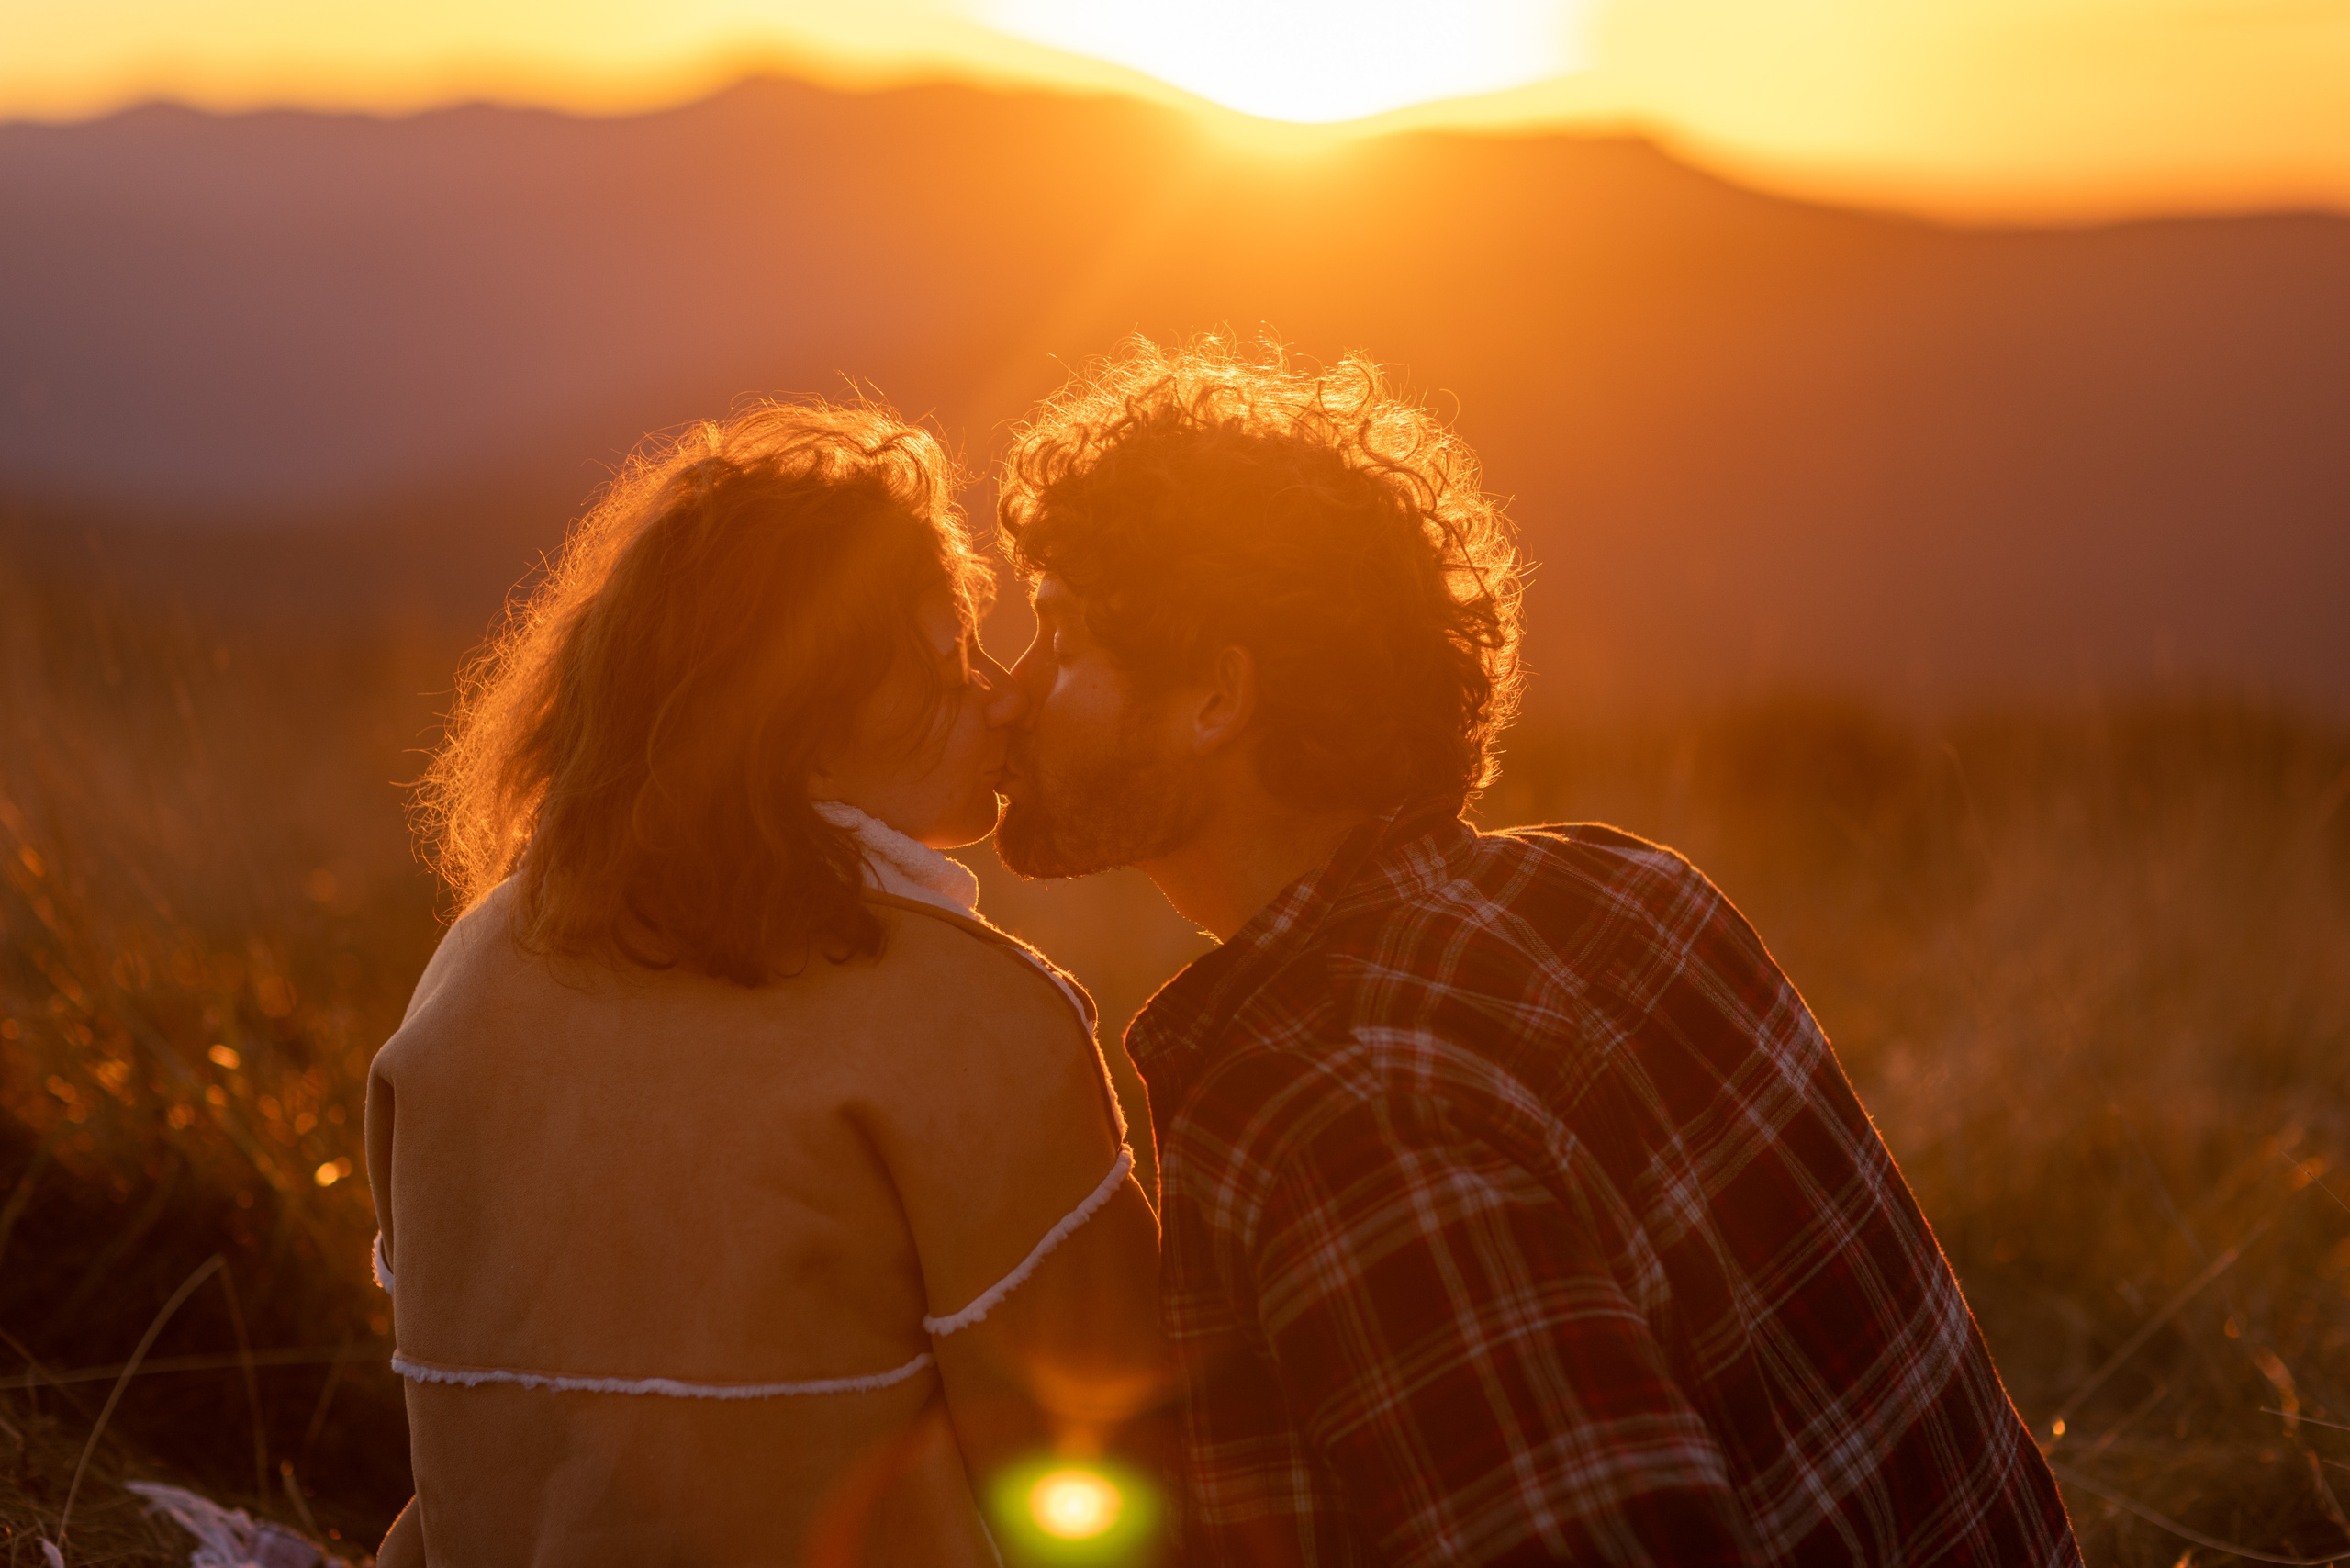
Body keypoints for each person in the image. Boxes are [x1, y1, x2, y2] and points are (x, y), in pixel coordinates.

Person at [991, 336, 2083, 1565]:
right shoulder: (1623, 891)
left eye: (1065, 645)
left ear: (1213, 698)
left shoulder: (1333, 1108)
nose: (1010, 694)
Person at [364, 402, 1163, 1566]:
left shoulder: (466, 978)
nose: (1000, 696)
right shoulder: (975, 1019)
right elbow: (1113, 1476)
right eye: (949, 660)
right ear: (799, 721)